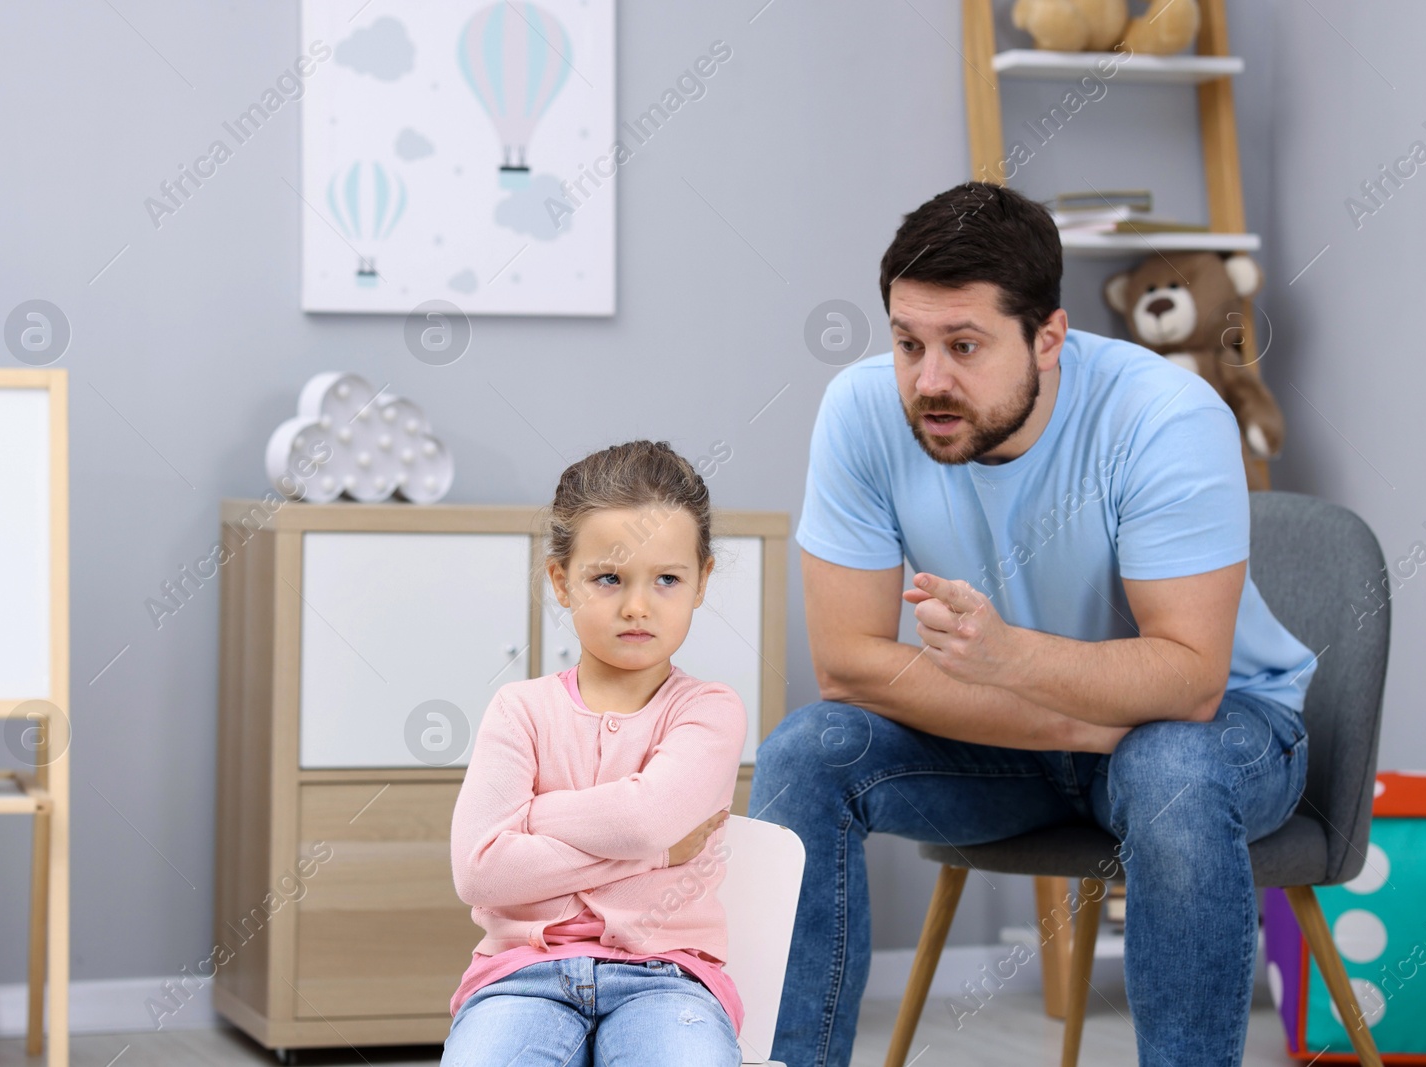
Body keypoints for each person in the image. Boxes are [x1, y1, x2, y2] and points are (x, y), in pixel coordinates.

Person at [749, 181, 1316, 1067]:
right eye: (908, 343)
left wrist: (1007, 657)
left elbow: (1190, 678)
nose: (929, 381)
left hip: (1221, 730)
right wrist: (1051, 715)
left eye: (965, 346)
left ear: (1048, 337)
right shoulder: (862, 411)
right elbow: (850, 666)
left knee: (1168, 762)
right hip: (1017, 742)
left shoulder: (1165, 415)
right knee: (806, 752)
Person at [443, 439, 748, 1066]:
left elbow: (642, 820)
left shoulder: (709, 710)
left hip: (668, 977)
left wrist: (535, 815)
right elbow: (480, 873)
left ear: (702, 582)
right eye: (608, 578)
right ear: (562, 581)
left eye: (667, 579)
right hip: (520, 976)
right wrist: (655, 854)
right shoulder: (518, 711)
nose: (637, 605)